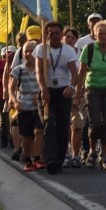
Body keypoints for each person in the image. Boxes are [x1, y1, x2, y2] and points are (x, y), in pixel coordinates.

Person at [74, 20, 106, 170]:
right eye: (100, 33)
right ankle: (92, 153)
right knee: (96, 123)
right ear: (95, 34)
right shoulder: (89, 49)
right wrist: (77, 93)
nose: (103, 36)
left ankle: (105, 156)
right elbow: (81, 72)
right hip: (93, 88)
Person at [35, 21, 79, 174]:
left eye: (57, 33)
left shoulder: (68, 50)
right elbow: (39, 71)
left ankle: (60, 159)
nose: (54, 36)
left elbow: (75, 73)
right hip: (48, 91)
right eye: (51, 33)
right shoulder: (41, 49)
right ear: (46, 34)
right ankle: (51, 160)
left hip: (63, 91)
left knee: (62, 128)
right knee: (49, 124)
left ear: (61, 34)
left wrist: (71, 87)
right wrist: (43, 89)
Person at [9, 41, 41, 172]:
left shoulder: (42, 68)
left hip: (38, 105)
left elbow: (47, 82)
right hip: (23, 105)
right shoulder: (18, 70)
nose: (28, 54)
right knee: (26, 135)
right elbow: (11, 89)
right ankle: (28, 160)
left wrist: (40, 94)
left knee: (39, 130)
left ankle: (37, 158)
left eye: (31, 51)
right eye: (26, 51)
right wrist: (15, 102)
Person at [63, 27, 86, 168]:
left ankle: (75, 155)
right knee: (64, 125)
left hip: (79, 93)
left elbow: (82, 74)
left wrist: (78, 93)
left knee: (77, 126)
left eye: (72, 37)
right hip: (63, 92)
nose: (70, 39)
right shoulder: (58, 53)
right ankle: (65, 153)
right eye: (67, 37)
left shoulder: (81, 54)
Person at [0, 46, 14, 147]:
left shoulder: (18, 61)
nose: (9, 55)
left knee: (14, 118)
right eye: (7, 53)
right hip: (2, 94)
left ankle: (14, 140)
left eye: (11, 53)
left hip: (15, 94)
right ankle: (4, 140)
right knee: (3, 119)